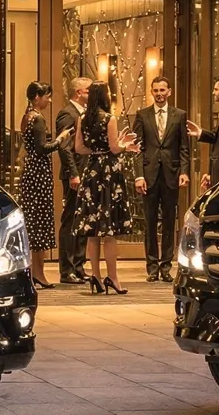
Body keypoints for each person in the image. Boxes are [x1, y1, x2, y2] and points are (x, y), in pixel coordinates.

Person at [76, 81, 134, 294]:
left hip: (91, 172)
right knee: (109, 232)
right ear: (105, 96)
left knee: (93, 232)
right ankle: (113, 278)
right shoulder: (109, 119)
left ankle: (96, 277)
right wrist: (125, 144)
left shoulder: (82, 118)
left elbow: (79, 147)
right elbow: (114, 147)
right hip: (108, 173)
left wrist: (94, 152)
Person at [131, 75, 189, 281]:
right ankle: (152, 267)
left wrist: (184, 171)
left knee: (168, 221)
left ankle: (166, 265)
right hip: (149, 174)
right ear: (151, 92)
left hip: (171, 174)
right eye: (155, 91)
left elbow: (184, 147)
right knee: (150, 220)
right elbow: (137, 148)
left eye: (163, 90)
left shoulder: (179, 115)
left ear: (169, 92)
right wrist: (138, 176)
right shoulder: (142, 115)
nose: (159, 94)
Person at [16, 80, 68, 289]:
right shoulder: (37, 119)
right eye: (46, 95)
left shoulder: (27, 116)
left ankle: (36, 272)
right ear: (37, 97)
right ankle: (38, 272)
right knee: (39, 222)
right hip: (38, 175)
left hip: (32, 173)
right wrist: (60, 140)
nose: (49, 99)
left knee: (34, 223)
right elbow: (41, 148)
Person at [54, 76, 91, 283]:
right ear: (79, 93)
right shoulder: (67, 114)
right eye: (88, 91)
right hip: (74, 174)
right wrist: (73, 173)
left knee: (83, 220)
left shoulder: (85, 114)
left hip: (87, 172)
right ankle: (66, 269)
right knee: (70, 221)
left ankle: (79, 266)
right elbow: (64, 147)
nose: (91, 95)